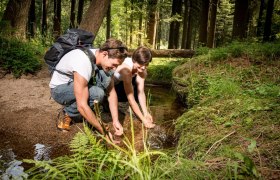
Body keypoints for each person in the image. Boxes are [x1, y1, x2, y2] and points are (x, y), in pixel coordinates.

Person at [49, 38, 128, 143]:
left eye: (117, 66)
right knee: (97, 94)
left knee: (106, 77)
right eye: (114, 65)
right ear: (104, 54)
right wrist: (103, 132)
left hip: (77, 85)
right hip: (59, 90)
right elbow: (82, 105)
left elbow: (112, 92)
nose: (114, 69)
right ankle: (67, 113)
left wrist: (115, 121)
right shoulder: (83, 62)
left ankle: (90, 117)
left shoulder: (99, 56)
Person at [111, 46, 156, 136]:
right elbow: (131, 99)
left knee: (137, 82)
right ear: (134, 60)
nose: (143, 67)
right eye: (141, 64)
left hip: (124, 84)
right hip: (112, 86)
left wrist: (146, 113)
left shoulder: (142, 71)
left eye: (146, 64)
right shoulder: (126, 69)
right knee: (130, 97)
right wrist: (144, 121)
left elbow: (141, 92)